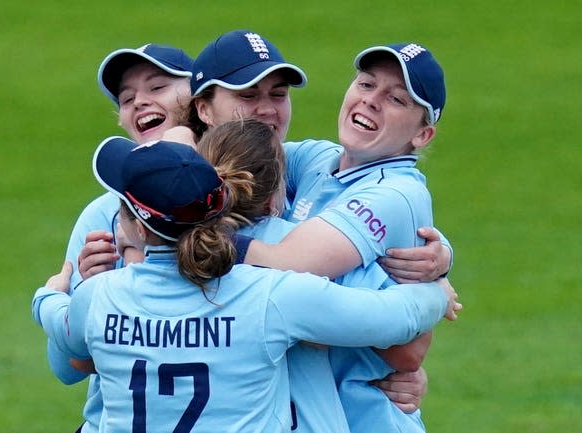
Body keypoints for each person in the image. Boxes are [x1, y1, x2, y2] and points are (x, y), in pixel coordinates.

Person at [32, 134, 461, 433]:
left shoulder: (99, 297)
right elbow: (394, 320)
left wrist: (48, 293)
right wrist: (435, 288)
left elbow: (61, 326)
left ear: (138, 231)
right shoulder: (268, 294)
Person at [241, 42, 451, 432]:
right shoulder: (318, 159)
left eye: (397, 99)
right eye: (367, 84)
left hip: (366, 419)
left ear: (423, 135)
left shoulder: (396, 194)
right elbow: (232, 161)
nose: (372, 101)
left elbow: (296, 265)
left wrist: (205, 248)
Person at [46, 42, 194, 433]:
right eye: (127, 98)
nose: (140, 102)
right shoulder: (100, 214)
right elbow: (67, 367)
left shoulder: (229, 197)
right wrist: (89, 294)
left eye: (158, 87)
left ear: (201, 99)